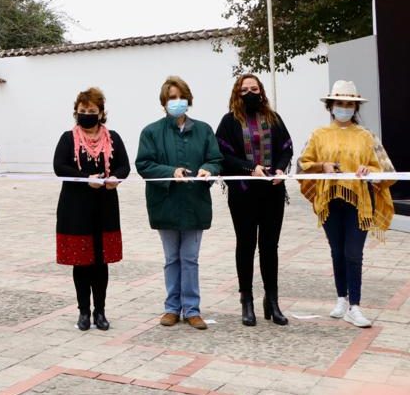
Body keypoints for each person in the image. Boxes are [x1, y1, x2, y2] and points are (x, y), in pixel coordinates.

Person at [297, 80, 395, 328]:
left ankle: (355, 306)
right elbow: (302, 164)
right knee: (337, 252)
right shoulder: (319, 135)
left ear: (355, 107)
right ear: (331, 106)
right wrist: (323, 166)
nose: (344, 108)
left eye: (349, 104)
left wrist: (368, 169)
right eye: (340, 103)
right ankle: (341, 298)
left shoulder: (366, 136)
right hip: (330, 201)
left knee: (354, 253)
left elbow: (385, 169)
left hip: (359, 203)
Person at [136, 76, 223, 330]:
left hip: (195, 202)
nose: (177, 102)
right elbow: (144, 164)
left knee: (190, 258)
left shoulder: (204, 130)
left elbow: (216, 159)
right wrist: (170, 172)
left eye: (180, 97)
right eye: (171, 97)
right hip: (165, 203)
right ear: (164, 102)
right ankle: (172, 308)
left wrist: (208, 169)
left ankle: (193, 309)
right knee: (171, 258)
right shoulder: (151, 132)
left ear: (188, 100)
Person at [215, 73, 292, 327]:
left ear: (261, 91)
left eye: (254, 88)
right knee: (245, 245)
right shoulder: (229, 121)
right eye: (245, 89)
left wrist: (280, 169)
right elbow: (223, 155)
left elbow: (286, 148)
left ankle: (272, 301)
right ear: (237, 93)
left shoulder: (273, 118)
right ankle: (246, 301)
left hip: (272, 191)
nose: (250, 93)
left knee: (270, 246)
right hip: (243, 193)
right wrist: (251, 169)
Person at [52, 87, 130, 331]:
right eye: (83, 110)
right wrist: (86, 178)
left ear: (101, 112)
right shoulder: (68, 138)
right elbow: (60, 167)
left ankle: (100, 311)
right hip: (76, 208)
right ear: (76, 112)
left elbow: (124, 166)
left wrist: (115, 177)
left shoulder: (113, 138)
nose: (87, 114)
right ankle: (83, 311)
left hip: (105, 207)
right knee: (81, 261)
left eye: (92, 110)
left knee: (100, 261)